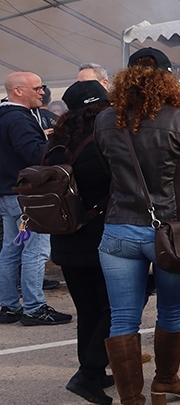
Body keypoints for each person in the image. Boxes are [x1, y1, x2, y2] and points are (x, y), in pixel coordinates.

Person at [94, 53, 180, 405]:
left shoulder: (105, 120)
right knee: (171, 311)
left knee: (122, 319)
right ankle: (165, 380)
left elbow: (108, 170)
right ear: (167, 80)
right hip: (172, 231)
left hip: (119, 228)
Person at [47, 80, 114, 405]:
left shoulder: (57, 142)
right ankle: (88, 374)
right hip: (100, 236)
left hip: (64, 237)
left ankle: (94, 373)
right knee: (113, 309)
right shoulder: (104, 139)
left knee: (87, 311)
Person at [0, 71, 71, 325]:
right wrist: (52, 141)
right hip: (26, 196)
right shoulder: (18, 119)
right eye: (37, 88)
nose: (43, 92)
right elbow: (33, 154)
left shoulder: (5, 115)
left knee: (11, 249)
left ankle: (9, 306)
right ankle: (34, 307)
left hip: (9, 192)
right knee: (36, 250)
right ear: (18, 91)